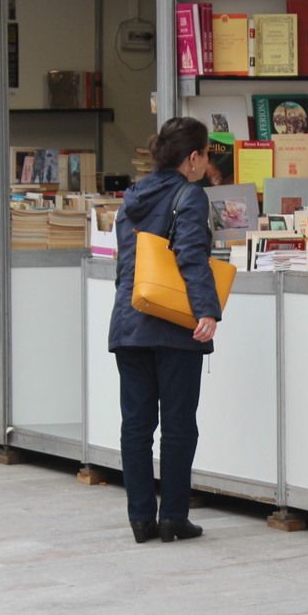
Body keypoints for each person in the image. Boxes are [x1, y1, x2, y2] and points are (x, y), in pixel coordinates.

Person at [108, 117, 222, 544]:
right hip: (173, 325)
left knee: (135, 425)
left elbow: (127, 263)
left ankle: (140, 517)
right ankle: (173, 514)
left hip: (130, 321)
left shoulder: (132, 197)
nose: (206, 163)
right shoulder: (188, 195)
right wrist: (206, 311)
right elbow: (190, 254)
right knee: (177, 425)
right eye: (206, 154)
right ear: (192, 158)